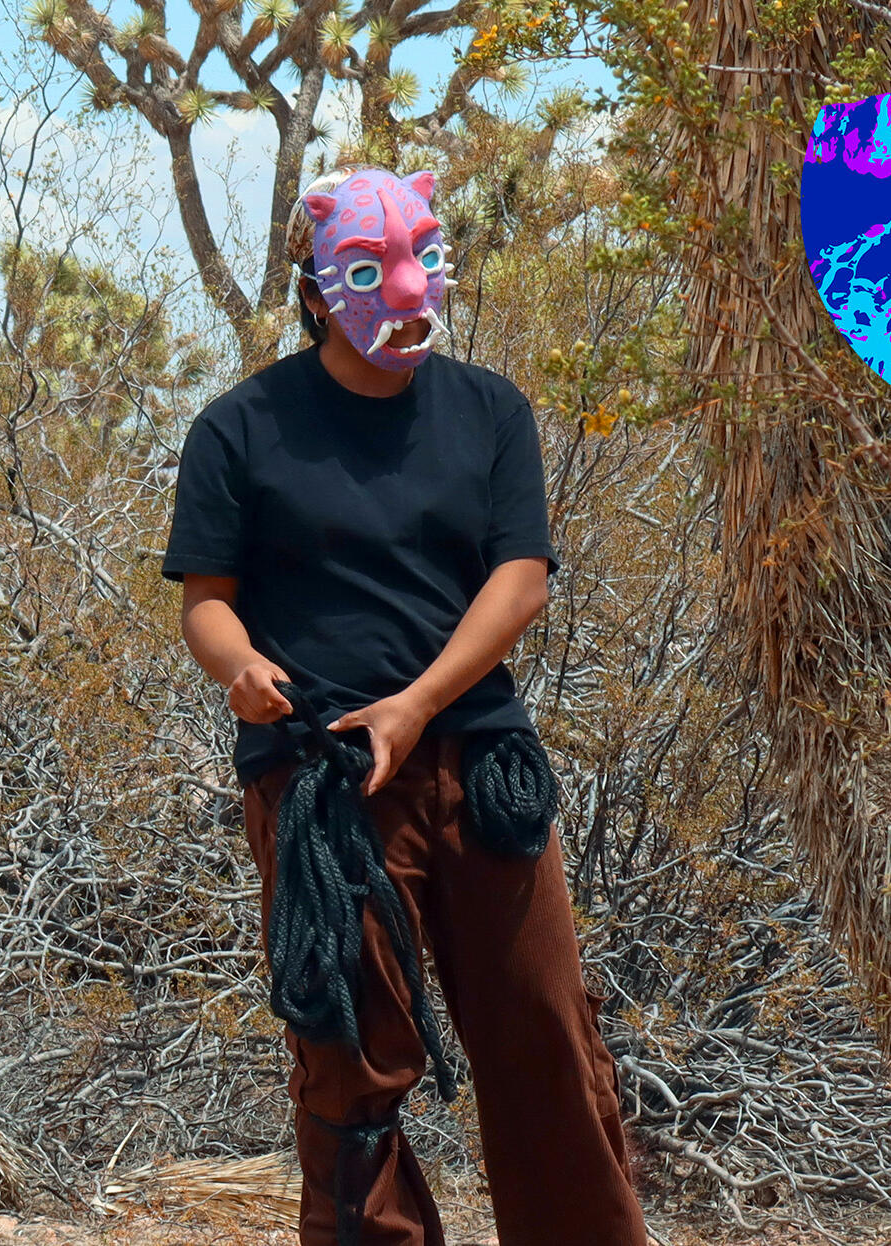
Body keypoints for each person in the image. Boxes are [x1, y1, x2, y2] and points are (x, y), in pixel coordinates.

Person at [161, 164, 649, 1246]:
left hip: (480, 766)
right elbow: (206, 602)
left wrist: (418, 703)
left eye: (425, 257)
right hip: (324, 783)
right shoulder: (240, 430)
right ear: (316, 284)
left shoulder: (487, 411)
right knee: (352, 1060)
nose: (410, 288)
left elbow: (519, 576)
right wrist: (239, 668)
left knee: (546, 1038)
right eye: (373, 267)